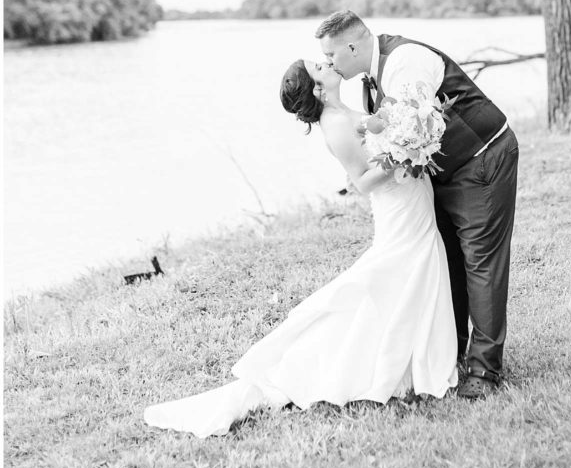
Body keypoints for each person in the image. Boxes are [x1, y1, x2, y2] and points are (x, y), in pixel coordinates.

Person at [143, 59, 458, 437]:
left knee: (406, 272)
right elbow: (361, 181)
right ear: (317, 89)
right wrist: (403, 152)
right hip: (396, 204)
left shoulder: (344, 112)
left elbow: (372, 143)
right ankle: (388, 360)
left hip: (407, 198)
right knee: (399, 270)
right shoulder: (335, 125)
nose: (328, 63)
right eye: (319, 66)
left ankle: (412, 352)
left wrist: (404, 134)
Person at [315, 11, 518, 400]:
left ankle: (484, 369)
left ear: (352, 47)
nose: (329, 63)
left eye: (331, 55)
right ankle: (452, 350)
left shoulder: (405, 63)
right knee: (450, 261)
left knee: (481, 262)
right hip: (441, 175)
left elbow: (415, 131)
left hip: (481, 159)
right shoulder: (370, 79)